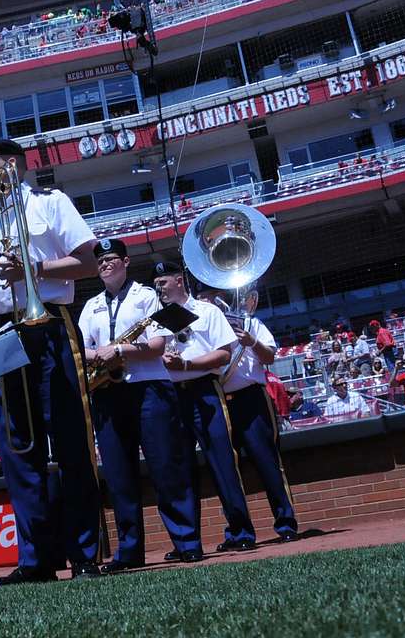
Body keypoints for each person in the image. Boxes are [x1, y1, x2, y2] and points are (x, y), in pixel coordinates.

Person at [0, 137, 103, 585]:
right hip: (5, 330)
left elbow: (88, 263)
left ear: (13, 164)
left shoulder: (50, 202)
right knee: (18, 448)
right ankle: (36, 558)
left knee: (69, 440)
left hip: (51, 325)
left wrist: (35, 270)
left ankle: (83, 553)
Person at [78, 240, 200, 571]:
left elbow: (158, 345)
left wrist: (118, 351)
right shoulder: (90, 306)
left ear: (126, 262)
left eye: (111, 259)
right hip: (107, 392)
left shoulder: (146, 296)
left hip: (149, 389)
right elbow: (80, 350)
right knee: (119, 476)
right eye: (100, 260)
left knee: (166, 467)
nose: (105, 264)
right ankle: (129, 552)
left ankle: (187, 542)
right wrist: (101, 353)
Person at [153, 263, 257, 556]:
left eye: (164, 281)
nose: (160, 287)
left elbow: (224, 353)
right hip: (171, 395)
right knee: (179, 469)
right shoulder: (154, 319)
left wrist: (185, 364)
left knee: (223, 462)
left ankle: (240, 531)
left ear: (178, 280)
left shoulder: (208, 311)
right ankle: (188, 542)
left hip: (203, 390)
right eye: (156, 283)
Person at [202, 289, 298, 543]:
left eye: (209, 297)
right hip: (219, 402)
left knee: (268, 463)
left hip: (251, 398)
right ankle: (238, 531)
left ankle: (286, 523)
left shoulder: (250, 323)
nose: (206, 302)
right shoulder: (203, 331)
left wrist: (251, 341)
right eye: (201, 297)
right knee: (226, 471)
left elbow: (270, 357)